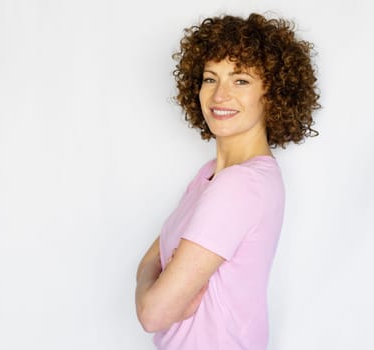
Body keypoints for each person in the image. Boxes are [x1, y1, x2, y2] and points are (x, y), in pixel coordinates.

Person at [135, 13, 320, 349]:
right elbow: (150, 262)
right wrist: (151, 281)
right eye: (210, 79)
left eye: (241, 81)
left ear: (272, 93)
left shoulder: (239, 185)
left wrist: (151, 289)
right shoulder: (209, 175)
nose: (219, 96)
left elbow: (153, 314)